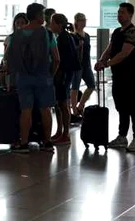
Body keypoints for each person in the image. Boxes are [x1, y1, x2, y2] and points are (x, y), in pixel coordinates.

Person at [5, 3, 59, 153]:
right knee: (45, 109)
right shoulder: (48, 34)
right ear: (37, 16)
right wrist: (50, 75)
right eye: (42, 14)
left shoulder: (16, 35)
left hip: (23, 77)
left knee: (26, 110)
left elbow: (10, 59)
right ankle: (47, 142)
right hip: (43, 77)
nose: (44, 17)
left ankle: (23, 143)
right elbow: (56, 58)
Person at [94, 2, 135, 152]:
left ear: (130, 15)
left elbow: (124, 53)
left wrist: (106, 64)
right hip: (118, 75)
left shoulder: (132, 33)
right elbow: (109, 49)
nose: (119, 15)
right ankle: (122, 136)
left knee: (132, 106)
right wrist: (101, 60)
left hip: (130, 75)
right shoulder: (116, 32)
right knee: (121, 106)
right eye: (118, 12)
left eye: (122, 12)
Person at [50, 13, 80, 145]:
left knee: (62, 103)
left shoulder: (63, 39)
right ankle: (60, 131)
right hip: (64, 74)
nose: (51, 25)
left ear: (59, 25)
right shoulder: (63, 37)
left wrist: (58, 74)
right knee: (59, 103)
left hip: (63, 75)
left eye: (52, 23)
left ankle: (65, 133)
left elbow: (64, 59)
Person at [71, 13, 95, 117]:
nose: (84, 22)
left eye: (85, 20)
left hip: (86, 65)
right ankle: (74, 110)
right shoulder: (73, 36)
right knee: (75, 87)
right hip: (77, 66)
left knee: (91, 85)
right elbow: (72, 52)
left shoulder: (87, 36)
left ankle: (80, 106)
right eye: (81, 20)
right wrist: (78, 47)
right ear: (76, 21)